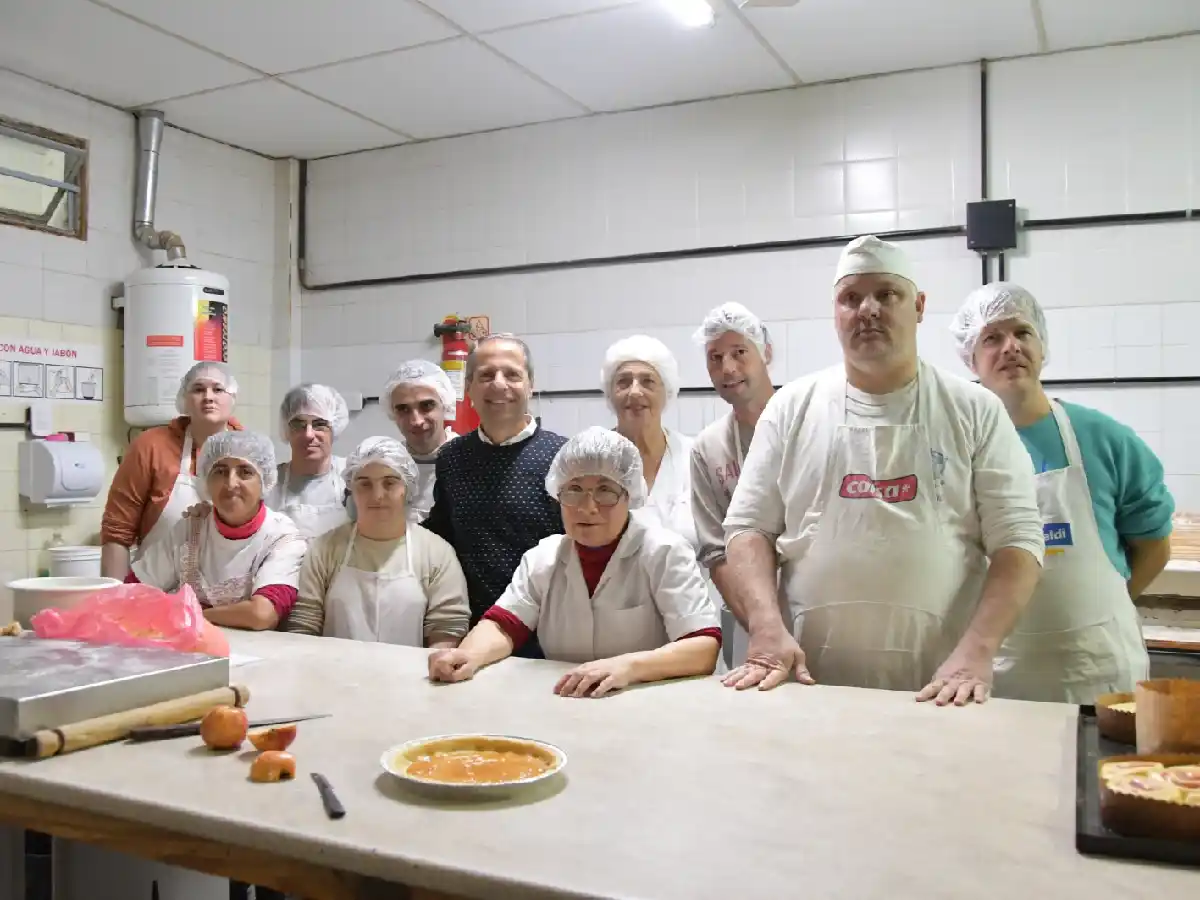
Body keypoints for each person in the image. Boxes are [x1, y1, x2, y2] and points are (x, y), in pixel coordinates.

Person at [722, 235, 1045, 705]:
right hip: (807, 684)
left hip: (941, 689)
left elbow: (1018, 540)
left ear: (918, 306)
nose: (867, 310)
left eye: (886, 294)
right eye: (850, 298)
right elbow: (748, 527)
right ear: (835, 312)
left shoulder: (974, 410)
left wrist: (977, 651)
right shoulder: (791, 408)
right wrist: (766, 628)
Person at [949, 283, 1173, 702]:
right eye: (992, 338)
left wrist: (1104, 614)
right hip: (996, 679)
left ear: (1042, 344)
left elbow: (1155, 545)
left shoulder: (1103, 437)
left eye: (1022, 332)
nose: (1010, 346)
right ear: (971, 358)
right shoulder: (957, 447)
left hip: (1100, 674)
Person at [428, 428, 721, 696]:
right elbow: (504, 625)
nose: (588, 507)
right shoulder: (544, 558)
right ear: (557, 495)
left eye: (606, 490)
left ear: (629, 495)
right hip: (568, 703)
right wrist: (468, 655)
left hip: (647, 703)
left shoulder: (664, 553)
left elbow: (702, 647)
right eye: (574, 490)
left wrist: (628, 668)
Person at [423, 335, 568, 657]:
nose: (498, 384)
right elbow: (441, 536)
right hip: (472, 635)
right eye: (486, 375)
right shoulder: (452, 459)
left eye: (512, 374)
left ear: (530, 385)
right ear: (469, 387)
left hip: (551, 639)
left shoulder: (564, 457)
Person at [286, 436, 469, 646]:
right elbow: (303, 626)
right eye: (365, 484)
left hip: (410, 676)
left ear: (407, 489)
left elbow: (446, 630)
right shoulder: (324, 549)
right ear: (351, 490)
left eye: (389, 483)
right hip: (333, 674)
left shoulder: (437, 553)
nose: (377, 495)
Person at [129, 431, 305, 631]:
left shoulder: (282, 537)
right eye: (220, 471)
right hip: (191, 649)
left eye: (245, 472)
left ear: (264, 481)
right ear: (206, 480)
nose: (231, 483)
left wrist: (190, 614)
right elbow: (134, 589)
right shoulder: (190, 528)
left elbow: (262, 614)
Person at [689, 303, 776, 662]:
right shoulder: (709, 448)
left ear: (766, 352)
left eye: (739, 352)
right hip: (750, 625)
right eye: (715, 358)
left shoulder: (806, 423)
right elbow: (716, 554)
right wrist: (763, 627)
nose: (728, 368)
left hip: (818, 611)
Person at [101, 362, 242, 580]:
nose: (208, 397)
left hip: (223, 595)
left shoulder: (249, 450)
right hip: (152, 589)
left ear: (232, 398)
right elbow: (117, 531)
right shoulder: (150, 446)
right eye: (198, 389)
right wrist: (116, 601)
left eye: (218, 389)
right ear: (184, 400)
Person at [602, 335, 697, 551]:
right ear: (610, 393)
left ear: (667, 392)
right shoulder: (591, 460)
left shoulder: (696, 457)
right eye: (623, 382)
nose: (635, 391)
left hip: (690, 583)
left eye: (648, 381)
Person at [266, 384, 350, 538]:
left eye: (320, 424)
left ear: (335, 429)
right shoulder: (268, 483)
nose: (309, 434)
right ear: (286, 430)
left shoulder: (352, 477)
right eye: (298, 425)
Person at [383, 360, 457, 520]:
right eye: (403, 409)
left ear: (445, 405)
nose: (416, 421)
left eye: (427, 406)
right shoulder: (386, 465)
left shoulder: (470, 460)